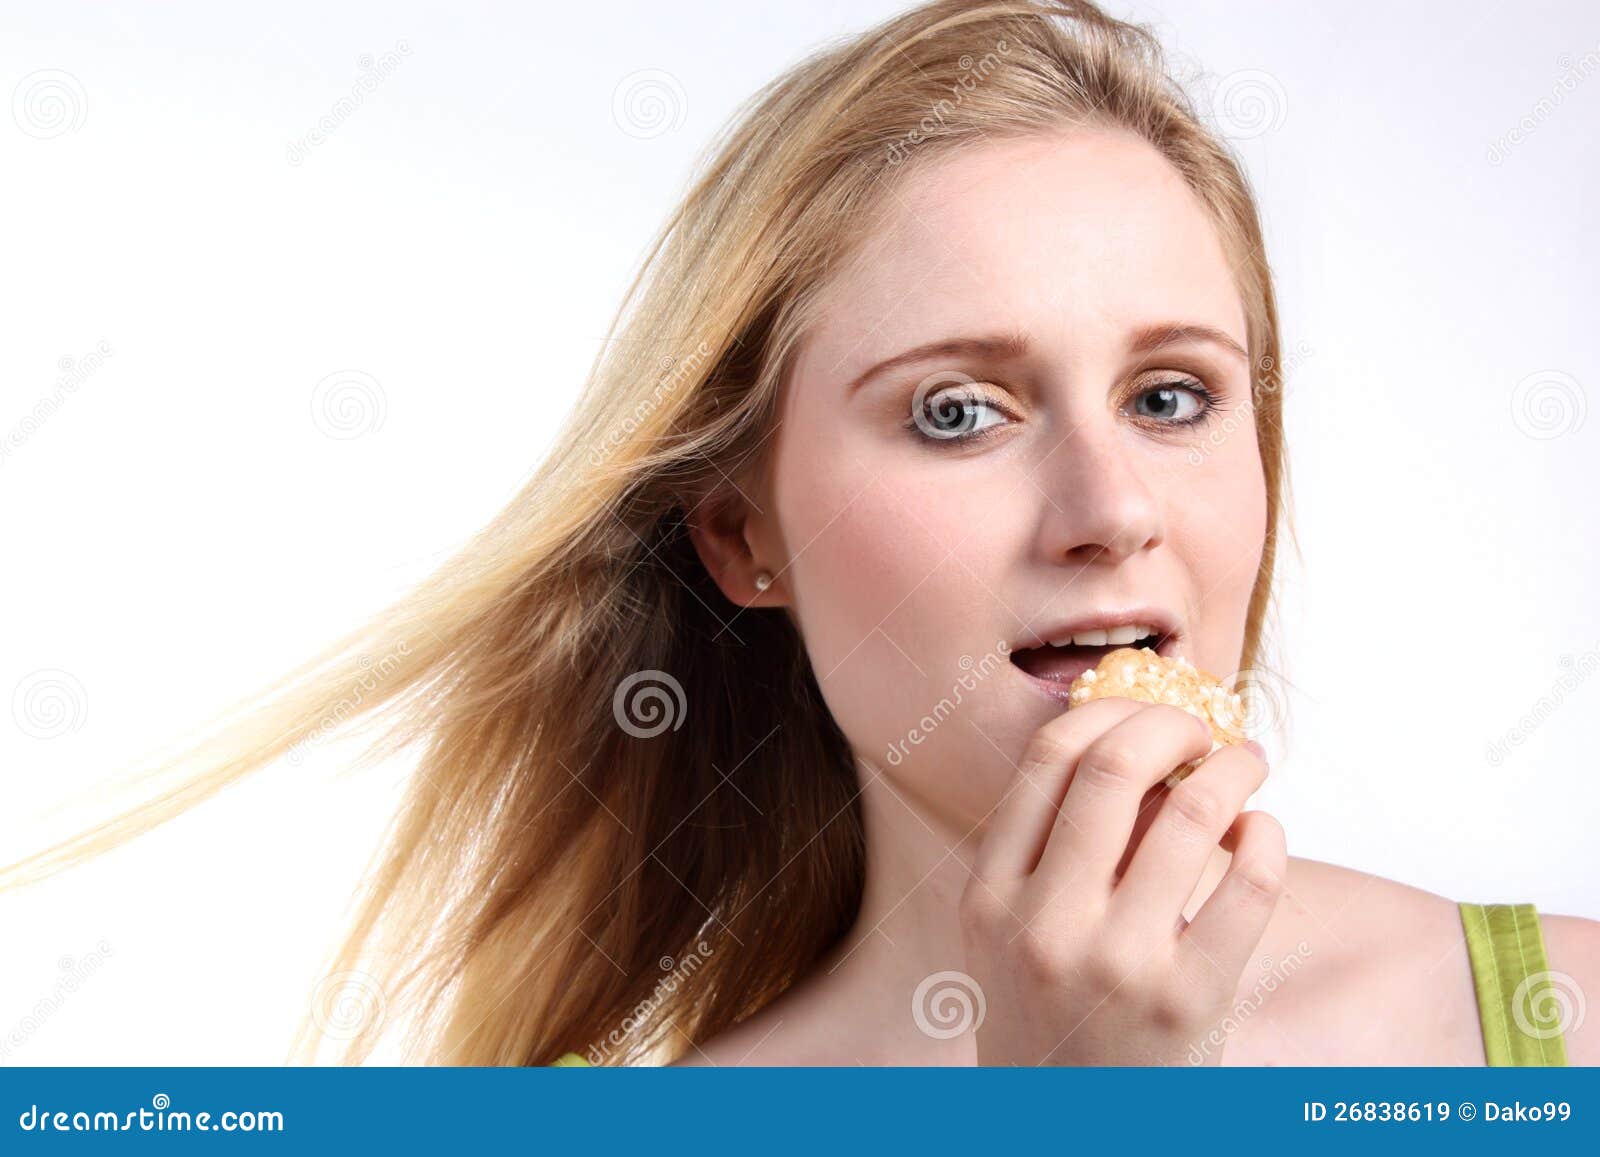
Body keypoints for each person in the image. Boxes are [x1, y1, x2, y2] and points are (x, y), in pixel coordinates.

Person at [7, 0, 1595, 1067]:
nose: (1113, 512)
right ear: (739, 542)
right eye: (959, 411)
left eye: (1173, 396)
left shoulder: (1557, 1024)